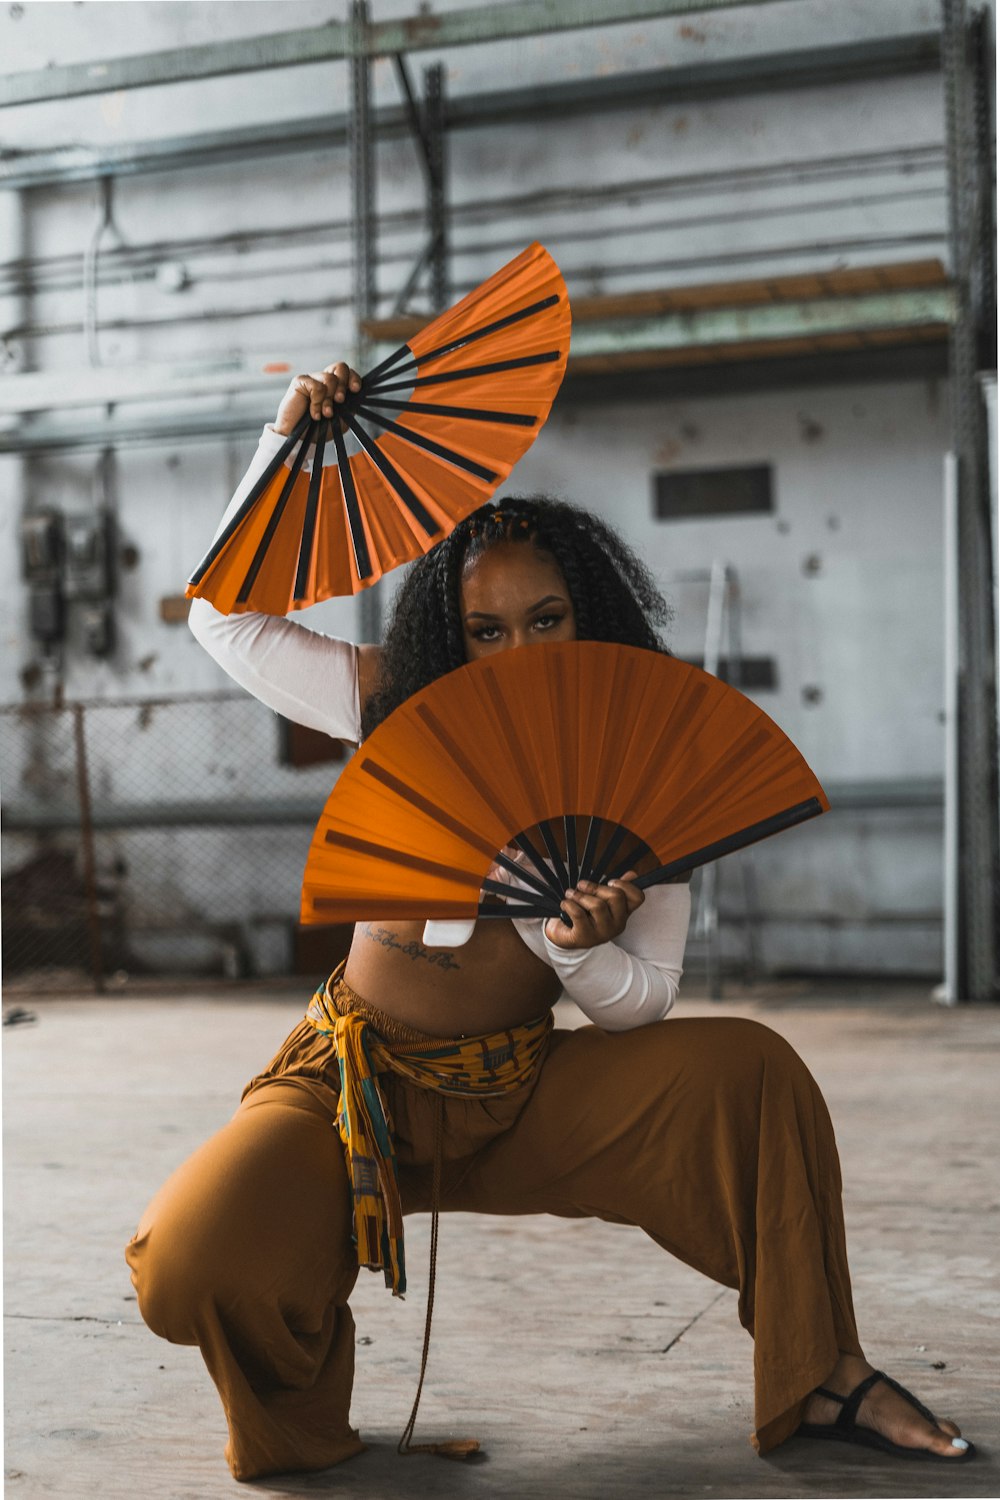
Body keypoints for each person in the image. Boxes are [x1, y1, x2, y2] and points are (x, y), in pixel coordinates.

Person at [125, 363, 974, 1482]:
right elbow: (220, 612)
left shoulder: (648, 767)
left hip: (520, 1095)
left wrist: (568, 947)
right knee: (187, 1264)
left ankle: (824, 1374)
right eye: (484, 629)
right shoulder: (391, 705)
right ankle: (301, 1413)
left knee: (751, 1069)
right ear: (449, 634)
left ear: (591, 617)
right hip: (353, 1092)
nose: (516, 653)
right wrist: (286, 445)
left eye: (545, 620)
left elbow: (648, 1001)